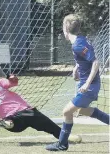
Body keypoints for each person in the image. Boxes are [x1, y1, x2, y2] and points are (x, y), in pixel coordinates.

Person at [46, 14, 109, 152]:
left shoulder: (78, 45)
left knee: (66, 111)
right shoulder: (79, 41)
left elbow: (96, 62)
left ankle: (62, 144)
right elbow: (84, 58)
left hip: (90, 86)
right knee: (82, 110)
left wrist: (86, 83)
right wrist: (76, 68)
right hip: (86, 83)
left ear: (65, 29)